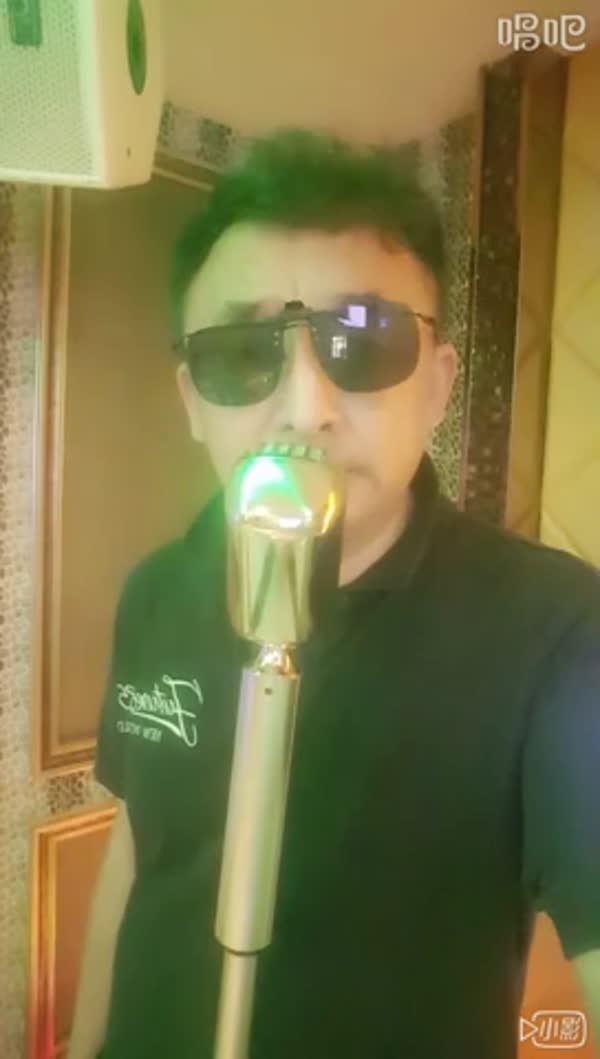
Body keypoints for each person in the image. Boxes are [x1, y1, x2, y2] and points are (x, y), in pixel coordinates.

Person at [68, 128, 600, 1059]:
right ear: (192, 399)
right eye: (243, 351)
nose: (305, 405)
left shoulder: (559, 635)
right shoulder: (156, 589)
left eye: (361, 339)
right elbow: (140, 845)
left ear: (437, 387)